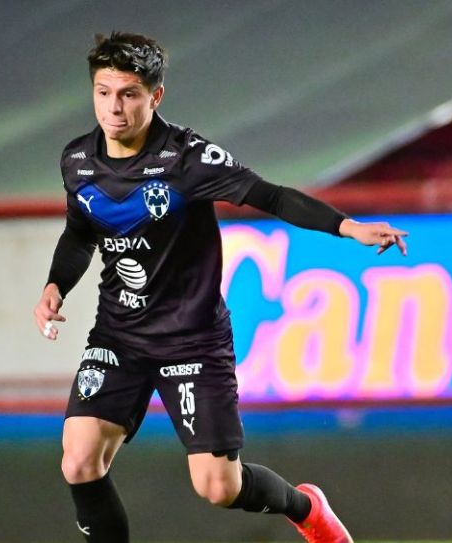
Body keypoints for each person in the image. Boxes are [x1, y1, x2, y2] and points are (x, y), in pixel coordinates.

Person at [33, 31, 408, 543]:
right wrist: (57, 285)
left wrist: (349, 228)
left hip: (192, 338)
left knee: (218, 486)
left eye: (129, 94)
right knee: (78, 459)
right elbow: (80, 235)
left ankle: (307, 508)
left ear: (155, 96)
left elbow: (270, 195)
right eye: (103, 92)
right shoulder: (77, 161)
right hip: (119, 334)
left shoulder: (188, 158)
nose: (114, 108)